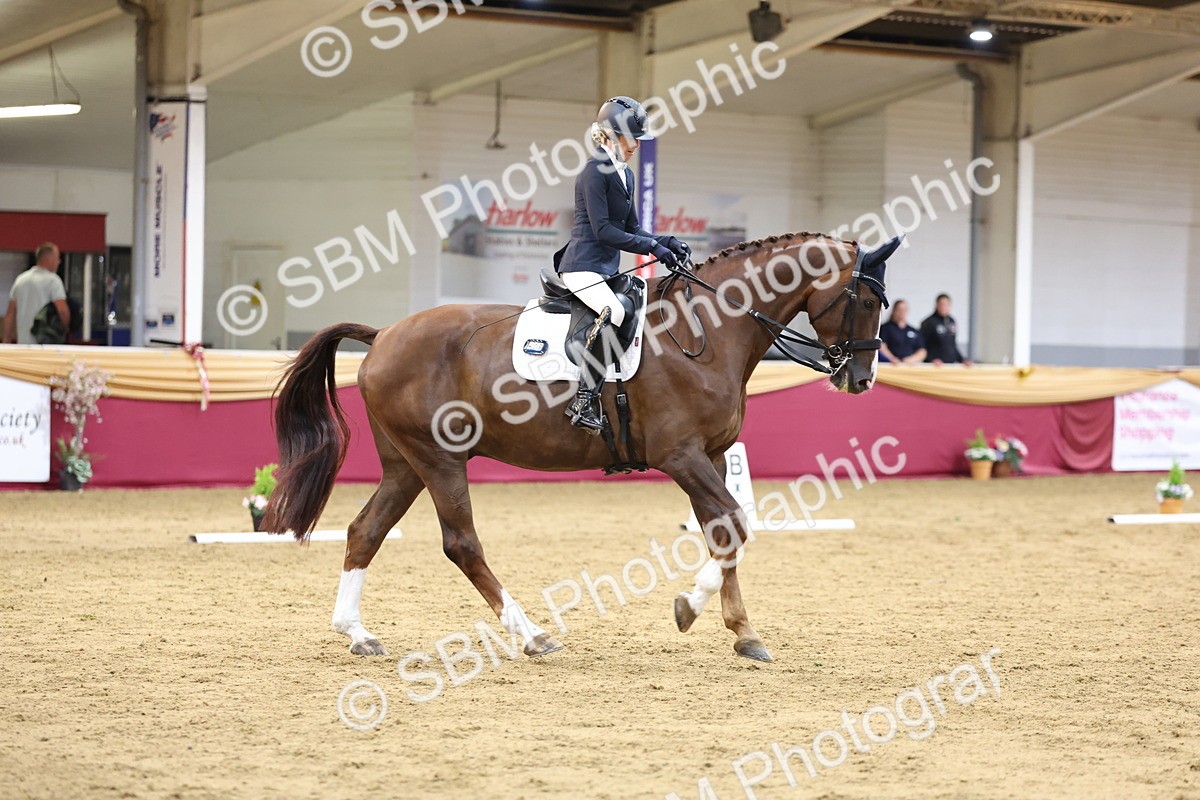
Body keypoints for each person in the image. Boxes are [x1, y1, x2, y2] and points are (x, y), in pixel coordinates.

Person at [554, 96, 690, 434]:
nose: (636, 146)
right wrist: (652, 247)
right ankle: (583, 400)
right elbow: (604, 231)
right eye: (632, 139)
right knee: (613, 311)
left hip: (605, 270)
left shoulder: (626, 174)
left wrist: (665, 240)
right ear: (611, 136)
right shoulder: (593, 172)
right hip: (582, 266)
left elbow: (632, 228)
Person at [2, 243, 69, 345]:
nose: (59, 262)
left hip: (23, 343)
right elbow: (63, 311)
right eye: (57, 258)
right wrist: (64, 330)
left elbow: (10, 313)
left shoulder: (20, 280)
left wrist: (6, 341)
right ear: (49, 259)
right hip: (46, 344)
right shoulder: (53, 281)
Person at [920, 293, 971, 365]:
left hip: (949, 364)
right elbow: (922, 346)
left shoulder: (951, 321)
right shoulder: (928, 322)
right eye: (942, 304)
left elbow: (952, 345)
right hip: (935, 365)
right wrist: (931, 359)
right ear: (936, 305)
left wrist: (962, 360)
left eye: (947, 304)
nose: (944, 307)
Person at [878, 299, 926, 364]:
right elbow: (882, 346)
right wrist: (892, 359)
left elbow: (922, 351)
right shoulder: (885, 328)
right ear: (894, 310)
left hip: (908, 366)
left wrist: (910, 360)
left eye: (904, 310)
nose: (902, 312)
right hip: (890, 365)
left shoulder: (913, 330)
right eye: (899, 309)